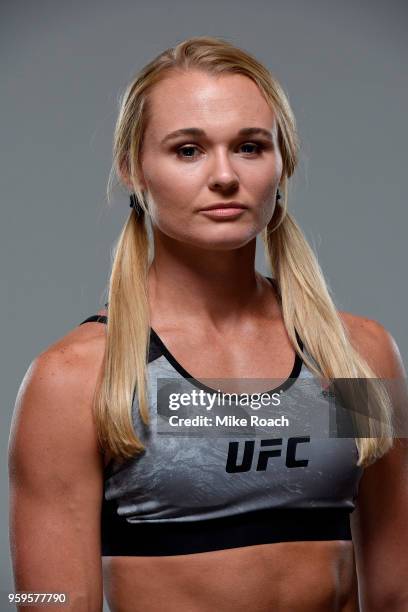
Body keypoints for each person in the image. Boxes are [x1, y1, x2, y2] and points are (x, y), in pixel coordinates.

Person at [8, 36, 408, 612]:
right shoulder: (74, 378)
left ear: (282, 162)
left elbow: (396, 592)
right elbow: (47, 604)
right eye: (188, 150)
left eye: (249, 146)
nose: (224, 175)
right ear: (133, 168)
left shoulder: (358, 356)